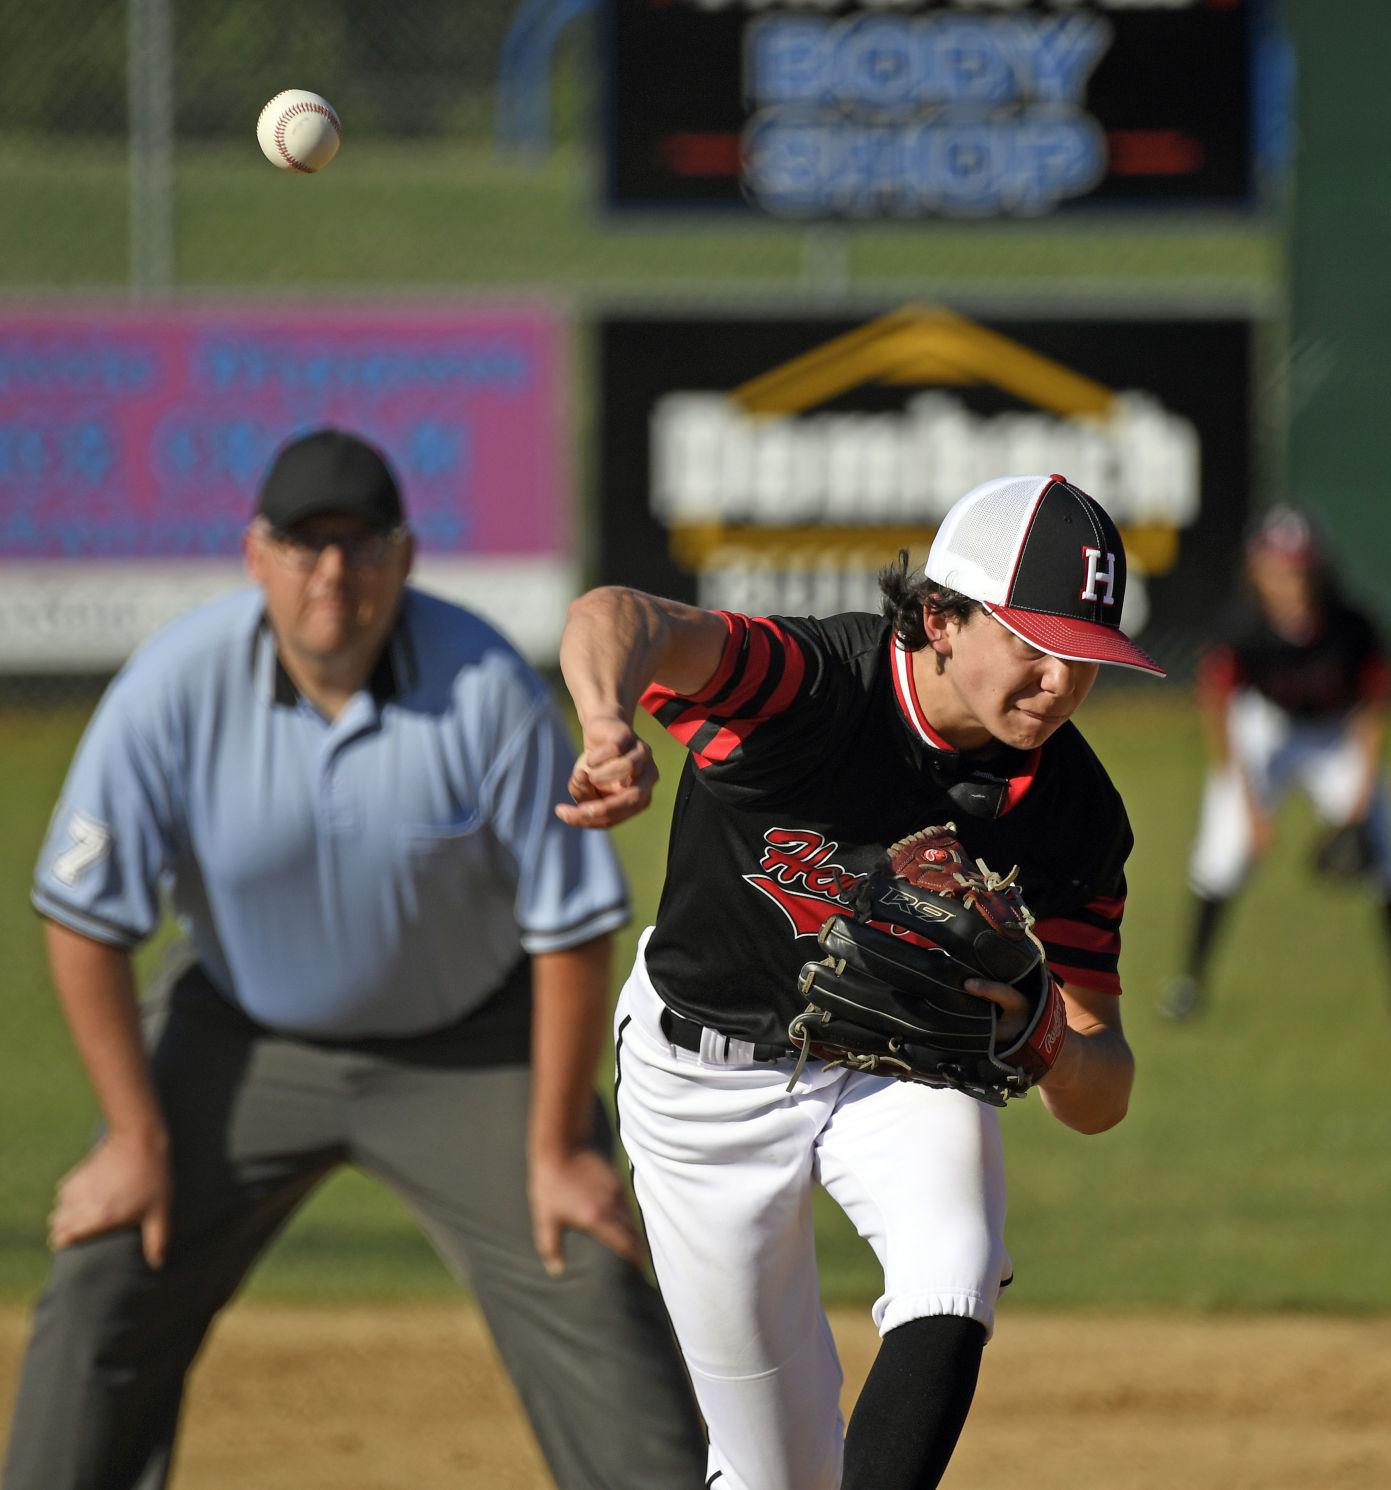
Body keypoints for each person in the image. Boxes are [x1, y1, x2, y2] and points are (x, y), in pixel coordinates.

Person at [3, 428, 706, 1490]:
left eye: (360, 542)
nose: (332, 572)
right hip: (241, 1035)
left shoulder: (483, 686)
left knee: (584, 1260)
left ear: (404, 555)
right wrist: (134, 1138)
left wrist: (560, 1145)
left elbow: (568, 924)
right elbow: (83, 917)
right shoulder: (171, 687)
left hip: (470, 1049)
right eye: (303, 543)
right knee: (108, 1256)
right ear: (256, 556)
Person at [554, 473, 1166, 1490]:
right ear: (941, 618)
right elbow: (615, 615)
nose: (1060, 682)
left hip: (903, 1064)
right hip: (702, 1082)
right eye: (1032, 643)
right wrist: (606, 722)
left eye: (1085, 655)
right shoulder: (810, 685)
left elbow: (1103, 1090)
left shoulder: (1074, 811)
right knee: (774, 1471)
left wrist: (1049, 1040)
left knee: (953, 1271)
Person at [1159, 503, 1391, 1020]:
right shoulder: (1244, 625)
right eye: (1276, 569)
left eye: (1297, 569)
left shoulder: (1350, 624)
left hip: (1334, 734)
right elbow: (1218, 702)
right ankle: (1188, 986)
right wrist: (1251, 808)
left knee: (1385, 850)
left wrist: (1359, 797)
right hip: (1263, 729)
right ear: (1257, 572)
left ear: (1316, 570)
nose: (1288, 582)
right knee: (1223, 853)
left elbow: (1371, 706)